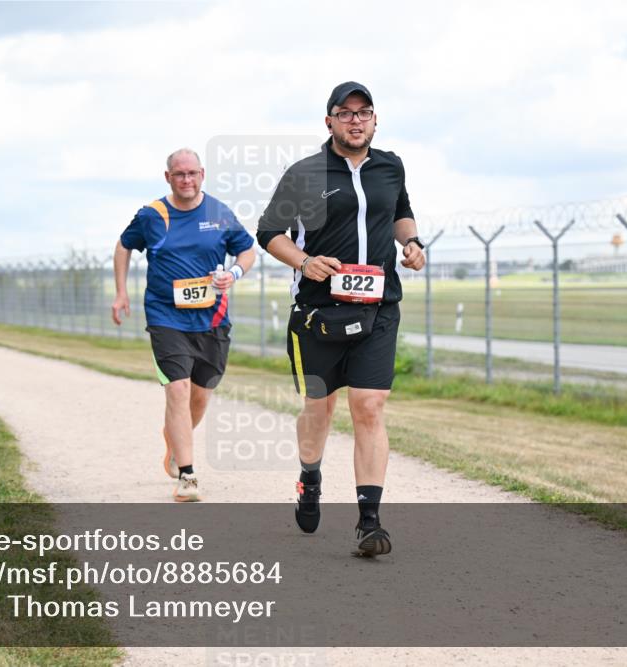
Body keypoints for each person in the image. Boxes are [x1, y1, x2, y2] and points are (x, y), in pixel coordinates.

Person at [256, 82, 426, 557]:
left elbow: (402, 212)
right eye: (345, 113)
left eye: (364, 112)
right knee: (320, 409)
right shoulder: (305, 173)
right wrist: (303, 262)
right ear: (328, 121)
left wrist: (411, 244)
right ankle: (310, 477)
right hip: (318, 313)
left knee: (369, 406)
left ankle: (369, 523)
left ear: (375, 119)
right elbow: (269, 231)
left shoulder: (391, 166)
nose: (356, 120)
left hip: (379, 307)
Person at [112, 148, 256, 502]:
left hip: (212, 318)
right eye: (179, 174)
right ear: (168, 177)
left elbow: (248, 250)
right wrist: (120, 293)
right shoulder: (152, 215)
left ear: (202, 174)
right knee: (177, 388)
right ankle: (188, 478)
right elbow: (123, 246)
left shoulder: (219, 213)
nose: (187, 180)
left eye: (192, 173)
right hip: (165, 316)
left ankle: (176, 442)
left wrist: (234, 274)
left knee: (200, 396)